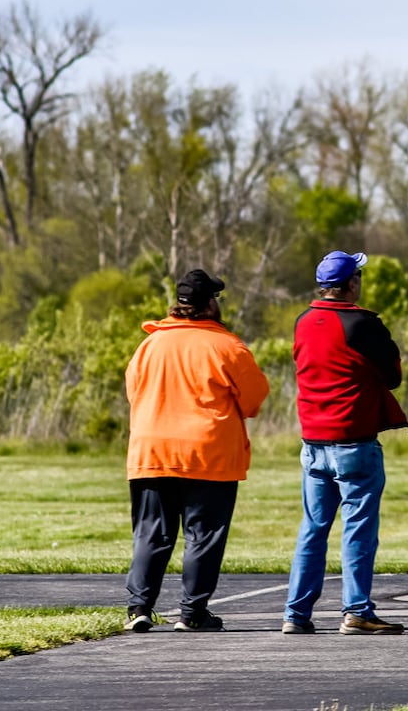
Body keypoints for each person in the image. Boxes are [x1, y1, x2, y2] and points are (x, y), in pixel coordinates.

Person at [123, 268, 270, 633]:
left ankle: (139, 608)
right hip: (209, 453)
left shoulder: (149, 346)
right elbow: (253, 401)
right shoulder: (228, 347)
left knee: (151, 533)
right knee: (203, 534)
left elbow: (133, 394)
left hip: (152, 452)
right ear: (210, 304)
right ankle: (192, 612)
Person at [283, 250, 408, 635]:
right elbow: (392, 376)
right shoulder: (362, 324)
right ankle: (356, 610)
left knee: (313, 528)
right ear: (352, 284)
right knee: (358, 529)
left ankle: (296, 614)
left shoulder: (304, 322)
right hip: (353, 440)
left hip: (314, 440)